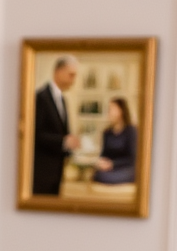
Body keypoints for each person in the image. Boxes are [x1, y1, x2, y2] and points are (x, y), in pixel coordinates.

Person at [32, 55, 80, 195]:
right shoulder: (41, 98)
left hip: (56, 170)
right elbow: (36, 133)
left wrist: (69, 143)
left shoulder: (61, 100)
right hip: (42, 171)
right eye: (71, 75)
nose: (73, 80)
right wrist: (63, 141)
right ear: (58, 72)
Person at [91, 97, 137, 185]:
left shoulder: (131, 131)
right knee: (98, 175)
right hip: (109, 169)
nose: (108, 113)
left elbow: (132, 158)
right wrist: (100, 162)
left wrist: (113, 164)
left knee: (111, 177)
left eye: (111, 109)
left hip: (125, 168)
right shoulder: (107, 132)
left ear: (121, 111)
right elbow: (104, 154)